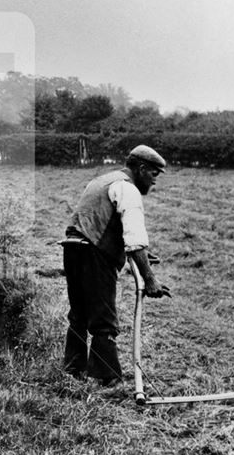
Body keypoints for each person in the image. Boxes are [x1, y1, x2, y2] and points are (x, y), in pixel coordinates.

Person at [60, 145, 171, 385]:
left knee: (79, 314)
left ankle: (73, 370)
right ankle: (106, 378)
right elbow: (134, 237)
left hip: (73, 248)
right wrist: (150, 279)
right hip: (93, 253)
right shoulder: (128, 189)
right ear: (141, 169)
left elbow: (105, 221)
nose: (155, 181)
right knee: (104, 319)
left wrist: (140, 256)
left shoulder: (104, 180)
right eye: (154, 174)